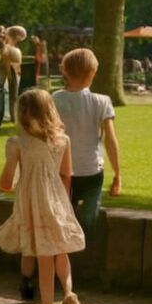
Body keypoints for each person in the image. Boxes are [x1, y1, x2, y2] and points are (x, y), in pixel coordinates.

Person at [0, 88, 85, 304]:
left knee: (44, 256)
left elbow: (5, 182)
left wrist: (12, 182)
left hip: (32, 204)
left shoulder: (17, 143)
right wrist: (62, 202)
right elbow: (67, 174)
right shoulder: (62, 141)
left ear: (21, 114)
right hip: (57, 200)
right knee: (60, 251)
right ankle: (68, 293)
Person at [53, 48, 121, 243]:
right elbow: (110, 139)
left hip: (63, 171)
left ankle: (65, 257)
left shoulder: (55, 99)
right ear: (92, 73)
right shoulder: (102, 101)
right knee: (88, 218)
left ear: (65, 71)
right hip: (92, 170)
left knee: (64, 216)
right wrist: (117, 173)